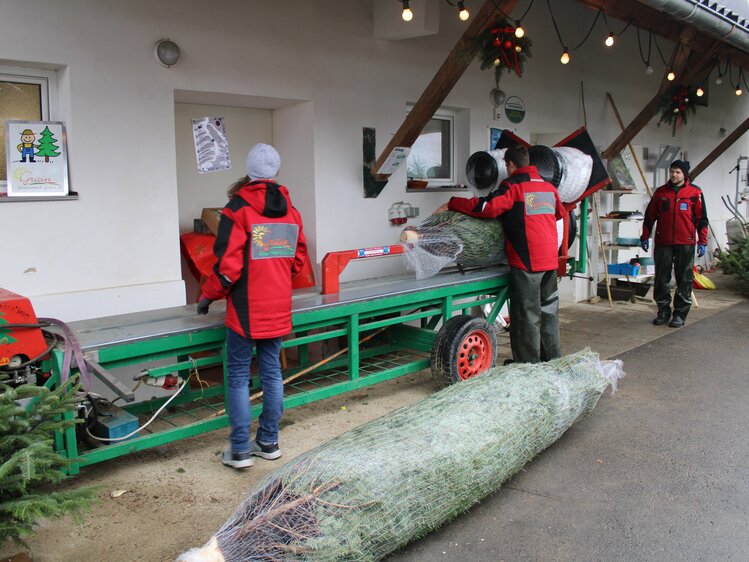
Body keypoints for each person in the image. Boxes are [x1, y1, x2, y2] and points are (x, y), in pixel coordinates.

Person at [197, 143, 307, 469]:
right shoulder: (291, 211)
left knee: (239, 376)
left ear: (249, 171)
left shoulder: (238, 210)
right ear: (276, 171)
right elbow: (297, 262)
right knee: (272, 374)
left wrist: (207, 295)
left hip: (246, 311)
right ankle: (269, 441)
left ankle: (240, 450)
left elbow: (228, 268)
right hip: (277, 307)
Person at [435, 144, 565, 363]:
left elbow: (488, 208)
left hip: (527, 262)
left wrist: (452, 203)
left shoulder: (514, 187)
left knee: (527, 316)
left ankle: (527, 366)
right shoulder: (548, 187)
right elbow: (560, 214)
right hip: (550, 260)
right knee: (548, 312)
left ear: (510, 164)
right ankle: (552, 360)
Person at [640, 159, 708, 328]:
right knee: (661, 278)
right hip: (664, 242)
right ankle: (663, 311)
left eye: (678, 172)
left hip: (686, 242)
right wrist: (645, 236)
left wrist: (703, 241)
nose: (674, 175)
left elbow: (702, 219)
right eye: (672, 171)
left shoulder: (695, 193)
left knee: (684, 279)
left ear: (684, 174)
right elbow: (650, 216)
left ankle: (679, 314)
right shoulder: (661, 193)